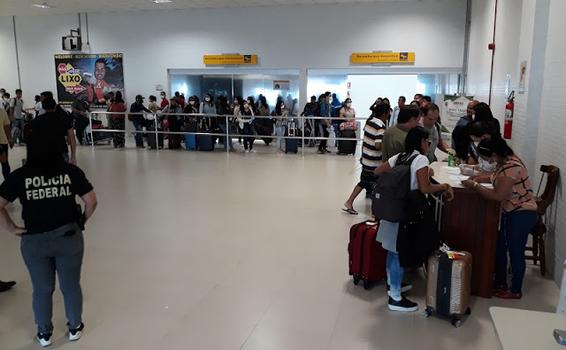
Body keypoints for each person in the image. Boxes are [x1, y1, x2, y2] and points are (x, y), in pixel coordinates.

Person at [0, 122, 97, 347]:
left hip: (34, 241)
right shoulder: (70, 172)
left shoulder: (20, 175)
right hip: (68, 236)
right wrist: (82, 220)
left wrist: (12, 228)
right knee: (71, 286)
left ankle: (44, 333)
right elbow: (91, 201)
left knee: (41, 289)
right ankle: (74, 327)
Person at [374, 126, 454, 312]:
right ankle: (394, 298)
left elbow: (378, 171)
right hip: (407, 210)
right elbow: (424, 188)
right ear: (421, 142)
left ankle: (392, 285)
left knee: (392, 249)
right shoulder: (420, 159)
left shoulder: (400, 157)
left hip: (393, 207)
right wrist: (443, 185)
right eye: (427, 141)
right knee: (398, 251)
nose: (429, 144)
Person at [462, 136, 537, 299]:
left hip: (521, 213)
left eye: (487, 158)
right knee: (501, 247)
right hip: (510, 211)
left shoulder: (511, 166)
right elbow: (494, 177)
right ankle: (500, 282)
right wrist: (478, 178)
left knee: (515, 251)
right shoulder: (504, 162)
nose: (488, 162)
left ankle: (515, 290)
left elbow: (497, 196)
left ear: (494, 154)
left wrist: (474, 185)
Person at [343, 103, 390, 215]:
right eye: (388, 112)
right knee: (377, 187)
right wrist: (388, 146)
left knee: (363, 182)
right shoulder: (380, 126)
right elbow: (378, 145)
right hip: (375, 162)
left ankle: (349, 202)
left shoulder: (370, 121)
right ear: (384, 113)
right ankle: (376, 211)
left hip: (366, 159)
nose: (389, 114)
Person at [29, 97, 77, 165]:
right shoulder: (64, 119)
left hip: (44, 152)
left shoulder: (36, 121)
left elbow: (32, 140)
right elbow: (72, 138)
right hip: (61, 151)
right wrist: (73, 156)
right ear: (55, 106)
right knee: (62, 174)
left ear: (43, 107)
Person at [0, 107, 12, 180]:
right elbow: (7, 126)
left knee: (5, 164)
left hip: (2, 142)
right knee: (4, 163)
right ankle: (8, 184)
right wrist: (10, 139)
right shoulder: (2, 111)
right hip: (2, 142)